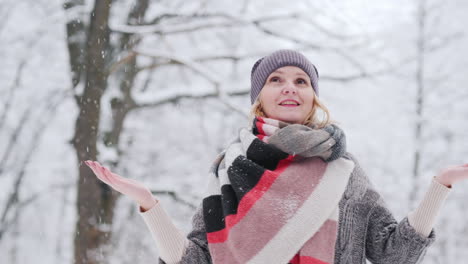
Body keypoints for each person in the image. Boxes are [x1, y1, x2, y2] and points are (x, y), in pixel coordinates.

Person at [85, 49, 467, 264]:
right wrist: (149, 205)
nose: (290, 88)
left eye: (301, 81)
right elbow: (196, 261)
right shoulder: (229, 168)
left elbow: (391, 254)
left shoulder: (341, 168)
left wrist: (441, 185)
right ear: (259, 97)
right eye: (276, 79)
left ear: (312, 97)